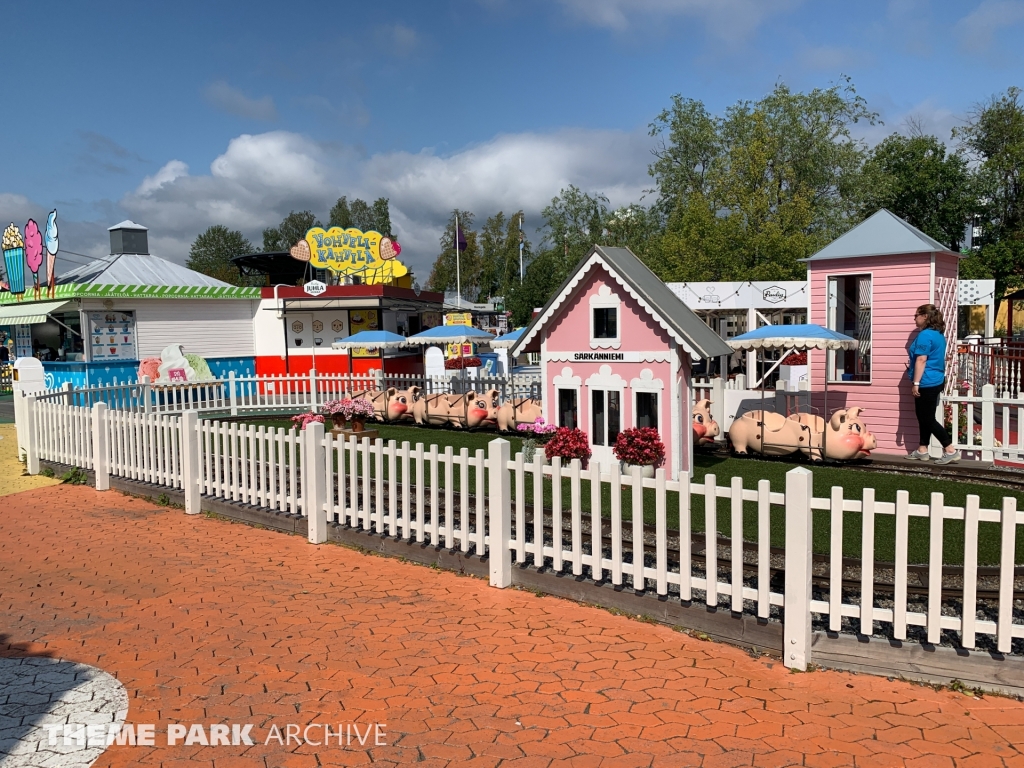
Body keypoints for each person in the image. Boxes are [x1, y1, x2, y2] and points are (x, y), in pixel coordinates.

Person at [907, 304, 960, 464]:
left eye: (916, 315)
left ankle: (950, 450)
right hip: (936, 379)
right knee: (923, 416)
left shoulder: (925, 335)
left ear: (925, 317)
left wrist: (916, 382)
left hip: (926, 381)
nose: (914, 318)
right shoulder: (938, 335)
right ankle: (922, 449)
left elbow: (921, 359)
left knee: (927, 418)